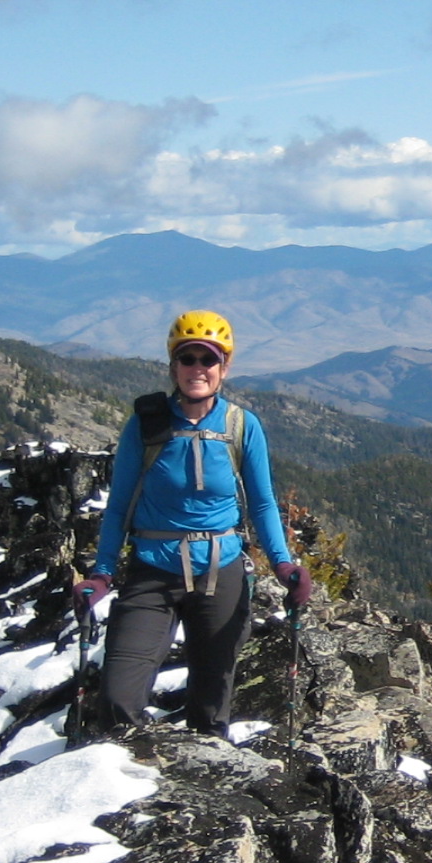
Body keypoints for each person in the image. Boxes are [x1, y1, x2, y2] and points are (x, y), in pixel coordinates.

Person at [73, 311, 313, 738]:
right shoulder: (146, 426)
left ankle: (196, 790)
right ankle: (131, 787)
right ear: (173, 365)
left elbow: (262, 503)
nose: (198, 368)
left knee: (210, 707)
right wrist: (103, 572)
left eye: (208, 359)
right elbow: (119, 505)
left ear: (224, 367)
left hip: (222, 572)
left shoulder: (241, 426)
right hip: (152, 570)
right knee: (118, 700)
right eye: (188, 358)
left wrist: (283, 565)